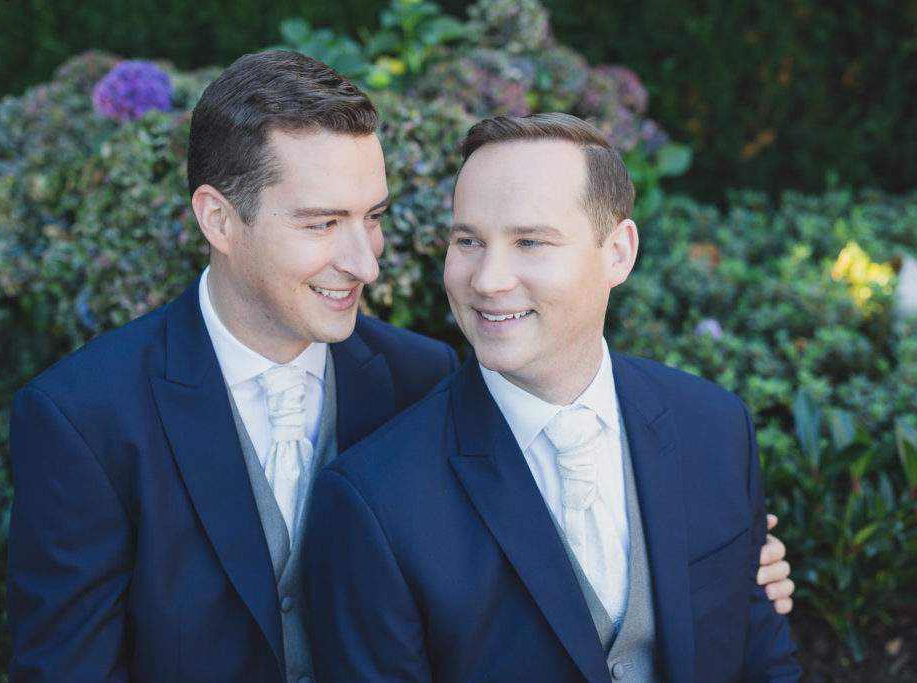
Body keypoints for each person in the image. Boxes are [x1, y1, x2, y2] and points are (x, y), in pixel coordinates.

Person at [6, 52, 792, 681]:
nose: (364, 262)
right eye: (322, 222)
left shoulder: (422, 373)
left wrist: (725, 574)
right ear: (219, 217)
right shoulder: (83, 418)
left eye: (373, 218)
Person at [303, 113, 801, 681]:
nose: (488, 279)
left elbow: (764, 662)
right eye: (468, 240)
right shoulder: (375, 498)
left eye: (530, 241)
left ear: (618, 253)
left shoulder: (714, 426)